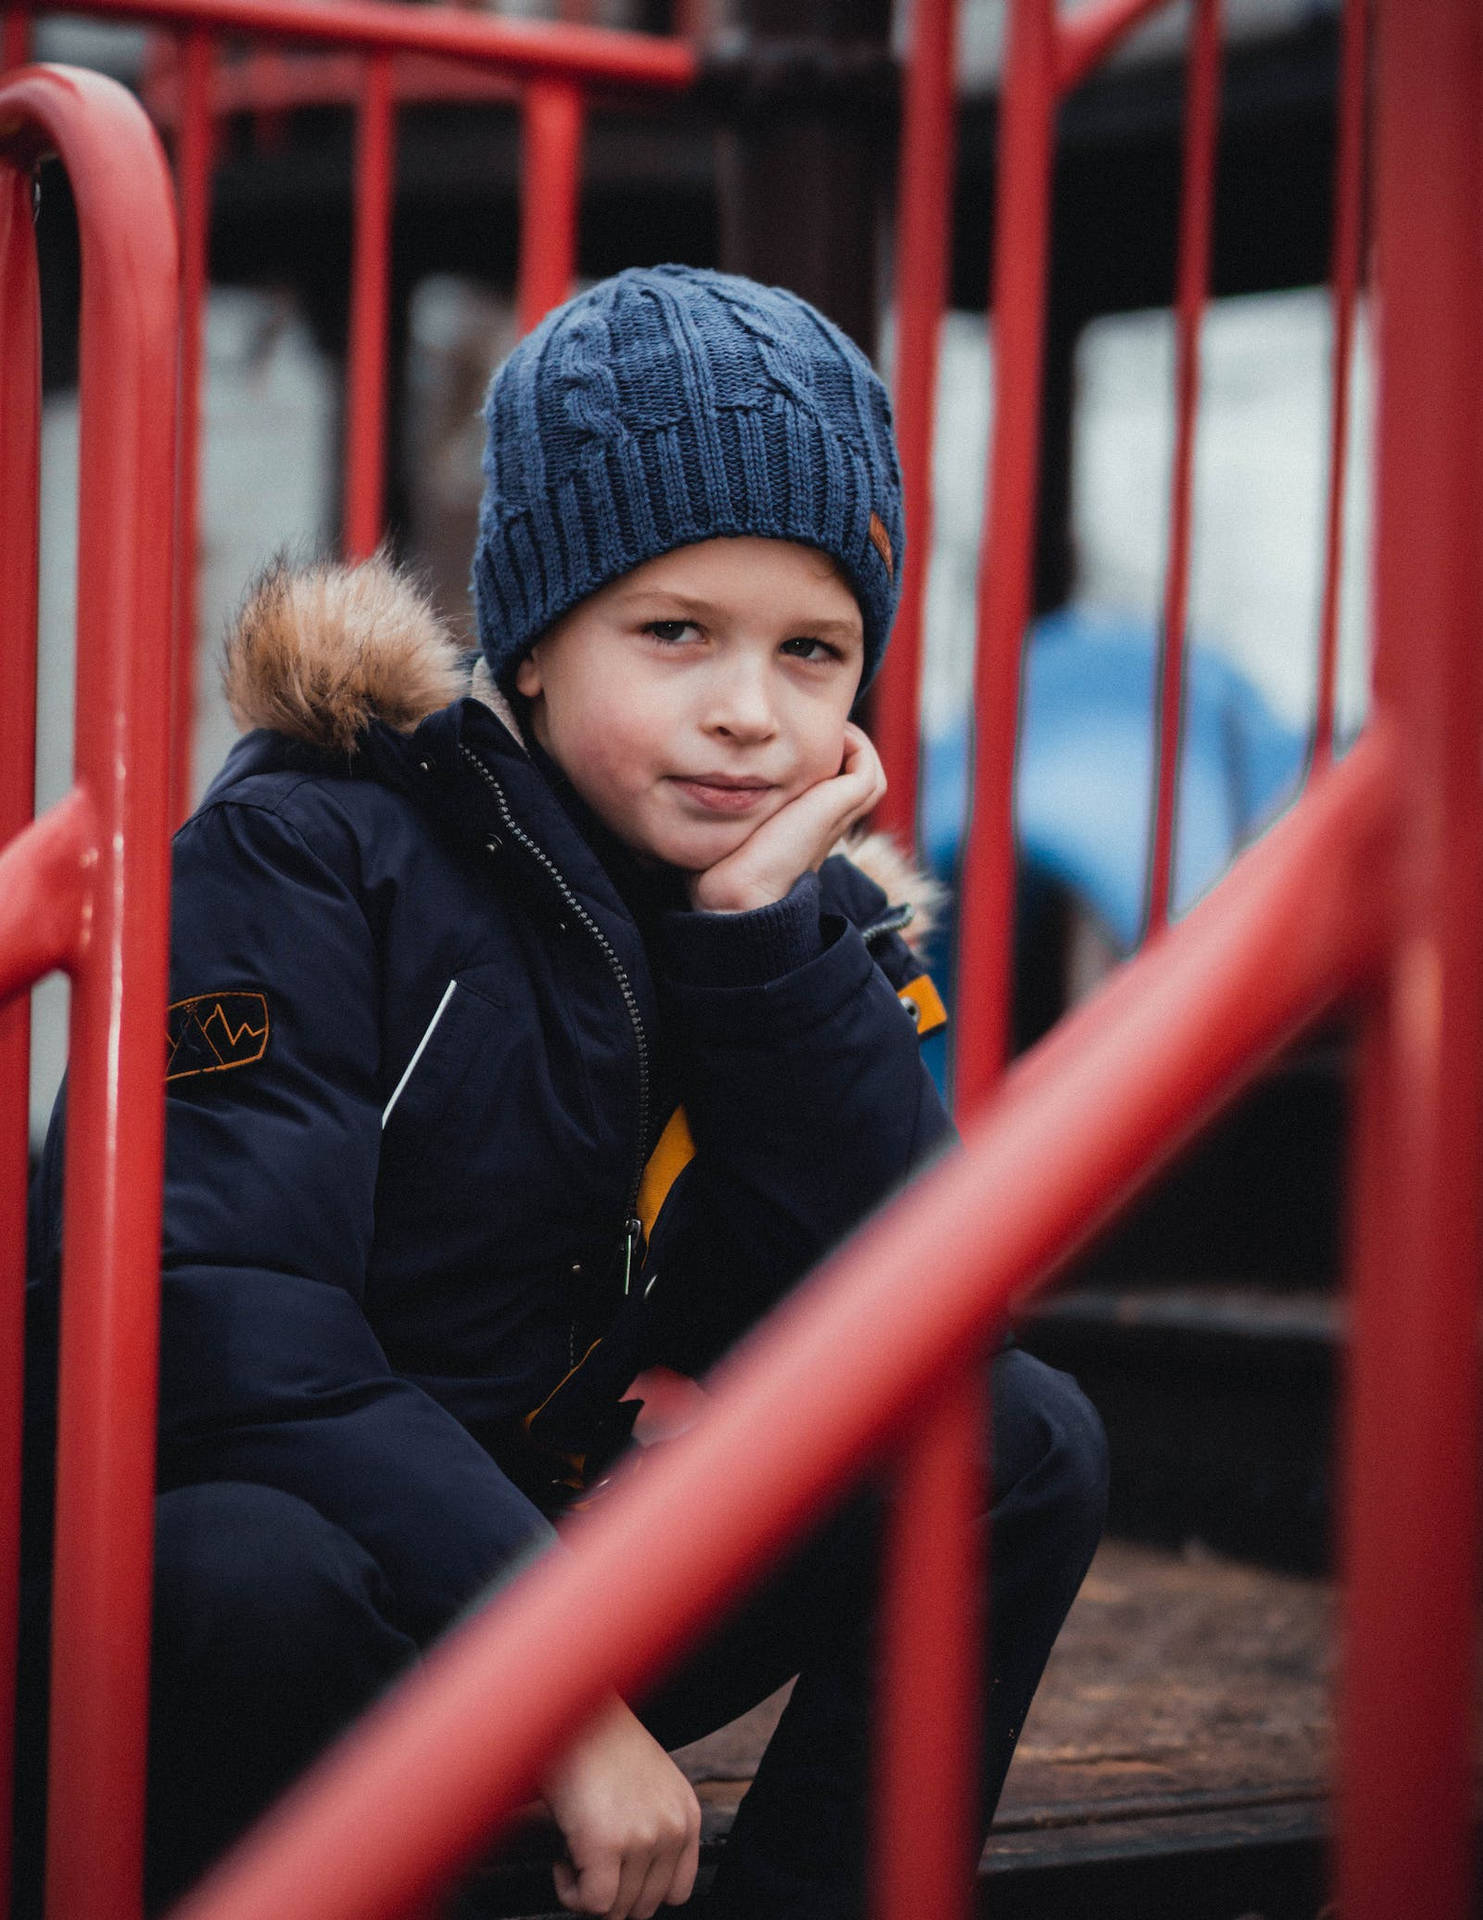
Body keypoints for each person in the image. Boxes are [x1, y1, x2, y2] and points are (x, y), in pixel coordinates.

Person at [21, 264, 1106, 1920]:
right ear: (530, 648)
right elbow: (223, 1327)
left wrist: (766, 958)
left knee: (1019, 1439)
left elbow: (916, 1325)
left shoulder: (785, 928)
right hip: (321, 1594)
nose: (750, 711)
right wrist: (553, 1688)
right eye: (676, 633)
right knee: (241, 1569)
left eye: (814, 652)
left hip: (537, 1583)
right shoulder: (313, 850)